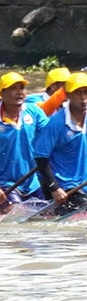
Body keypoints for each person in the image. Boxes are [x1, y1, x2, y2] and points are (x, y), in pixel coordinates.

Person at [0, 71, 46, 206]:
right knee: (15, 218)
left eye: (21, 88)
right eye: (13, 88)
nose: (19, 92)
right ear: (2, 94)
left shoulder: (34, 112)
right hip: (5, 185)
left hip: (32, 183)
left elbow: (52, 137)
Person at [33, 72, 87, 212]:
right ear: (67, 95)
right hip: (67, 187)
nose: (83, 98)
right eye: (78, 93)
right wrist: (55, 188)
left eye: (86, 92)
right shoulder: (56, 123)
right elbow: (41, 157)